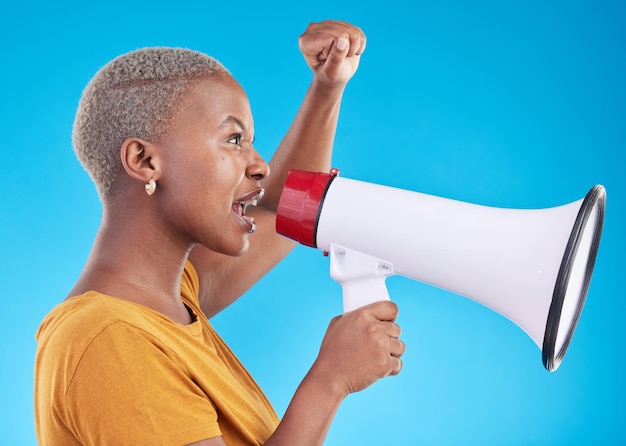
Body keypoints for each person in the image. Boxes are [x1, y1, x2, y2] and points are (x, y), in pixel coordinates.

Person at [34, 20, 405, 445]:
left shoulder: (169, 301)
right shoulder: (109, 340)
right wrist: (329, 381)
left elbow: (287, 208)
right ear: (144, 160)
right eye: (233, 139)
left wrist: (327, 85)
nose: (260, 164)